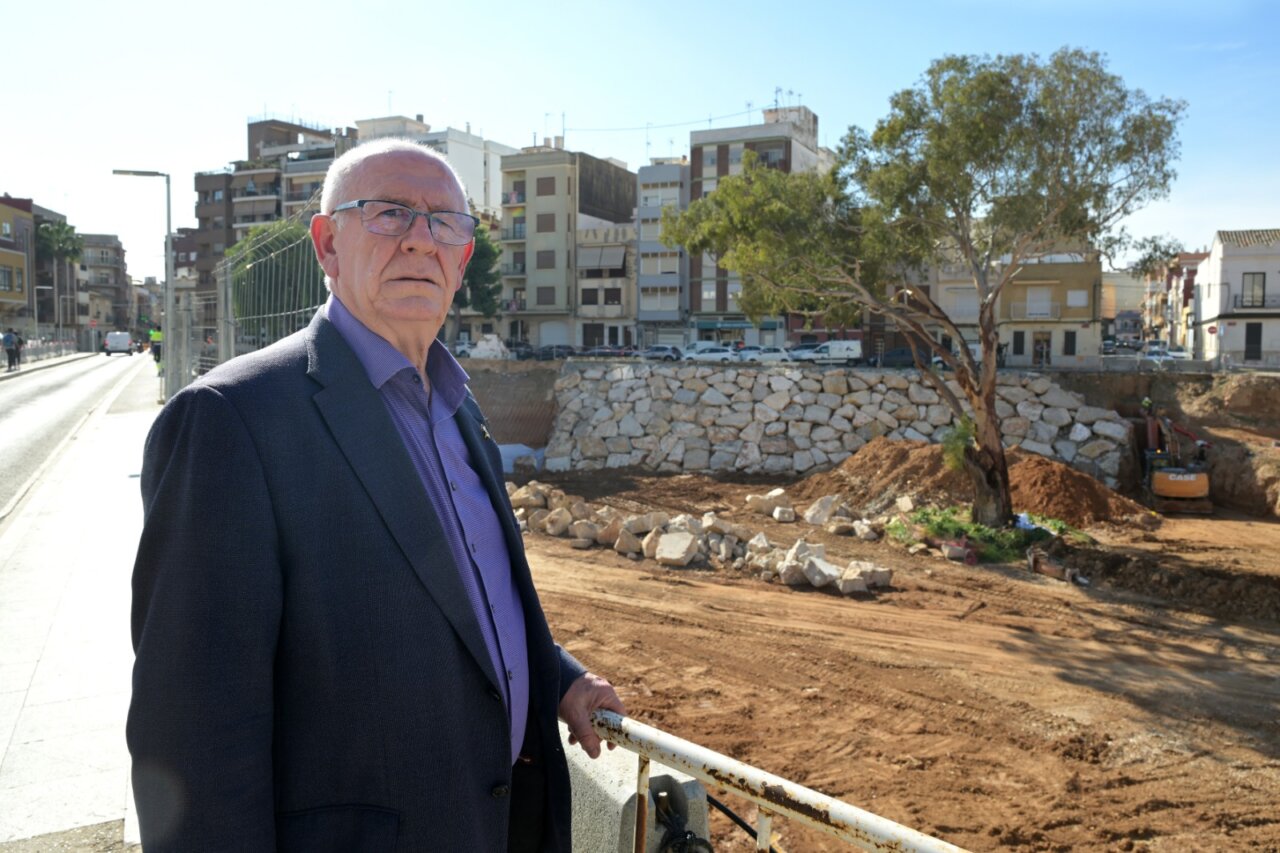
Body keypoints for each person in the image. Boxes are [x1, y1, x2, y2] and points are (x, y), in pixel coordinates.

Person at [128, 139, 625, 852]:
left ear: (463, 259)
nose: (421, 240)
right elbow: (192, 733)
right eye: (390, 213)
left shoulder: (459, 408)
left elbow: (468, 603)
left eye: (444, 222)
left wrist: (559, 678)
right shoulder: (231, 420)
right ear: (327, 245)